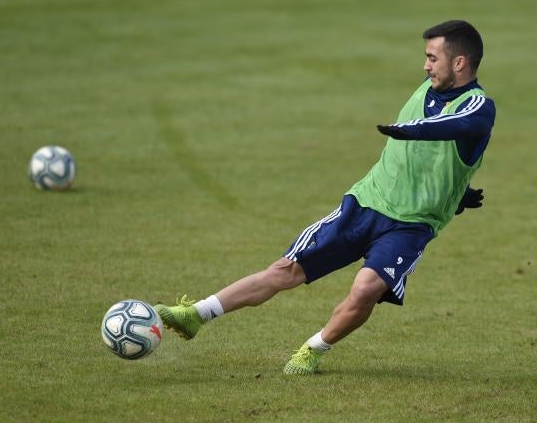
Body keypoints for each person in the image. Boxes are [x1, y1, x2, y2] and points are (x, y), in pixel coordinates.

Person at [156, 20, 496, 375]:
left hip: (411, 226)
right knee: (286, 270)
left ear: (459, 63)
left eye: (432, 58)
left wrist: (411, 132)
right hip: (366, 203)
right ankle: (197, 314)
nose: (425, 66)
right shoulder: (430, 87)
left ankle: (313, 349)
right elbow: (428, 159)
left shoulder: (478, 107)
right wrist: (457, 191)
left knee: (366, 289)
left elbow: (458, 125)